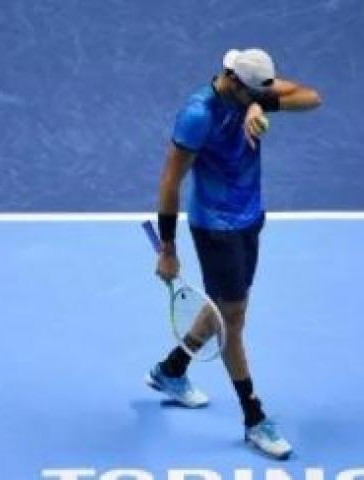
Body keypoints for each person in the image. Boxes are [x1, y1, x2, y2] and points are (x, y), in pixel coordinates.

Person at [145, 48, 321, 460]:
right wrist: (168, 249)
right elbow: (170, 181)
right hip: (216, 227)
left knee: (229, 308)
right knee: (234, 319)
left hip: (249, 219)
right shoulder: (197, 115)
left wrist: (262, 102)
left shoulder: (250, 91)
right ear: (232, 80)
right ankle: (254, 418)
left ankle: (171, 370)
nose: (263, 96)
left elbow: (312, 97)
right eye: (254, 92)